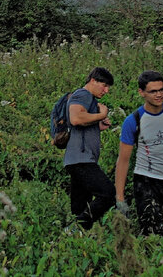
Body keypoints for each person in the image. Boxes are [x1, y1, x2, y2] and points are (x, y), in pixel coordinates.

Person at [113, 70, 163, 234]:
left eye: (161, 90)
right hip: (147, 181)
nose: (159, 95)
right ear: (141, 92)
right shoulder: (133, 120)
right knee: (152, 233)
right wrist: (119, 197)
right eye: (153, 91)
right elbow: (123, 160)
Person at [65, 67, 115, 230]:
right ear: (93, 80)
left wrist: (98, 124)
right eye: (104, 85)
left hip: (78, 159)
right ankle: (73, 230)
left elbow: (82, 123)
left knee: (80, 206)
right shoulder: (83, 94)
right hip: (81, 159)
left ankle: (74, 241)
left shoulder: (88, 98)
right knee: (107, 193)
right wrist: (101, 115)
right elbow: (76, 118)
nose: (106, 91)